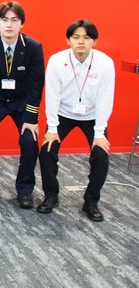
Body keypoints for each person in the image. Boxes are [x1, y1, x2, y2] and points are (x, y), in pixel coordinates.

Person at [37, 20, 114, 222]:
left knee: (101, 155)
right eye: (76, 37)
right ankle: (51, 195)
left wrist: (100, 133)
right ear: (68, 40)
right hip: (63, 113)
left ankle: (91, 201)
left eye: (86, 38)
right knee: (46, 151)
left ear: (94, 42)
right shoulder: (57, 61)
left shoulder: (105, 63)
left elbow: (106, 98)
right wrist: (52, 127)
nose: (81, 42)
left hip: (93, 116)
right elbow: (52, 95)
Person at [0, 1, 45, 209]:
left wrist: (31, 117)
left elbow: (36, 83)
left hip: (22, 103)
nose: (9, 25)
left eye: (14, 20)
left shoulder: (33, 47)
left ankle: (25, 189)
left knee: (30, 141)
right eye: (5, 20)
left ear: (22, 23)